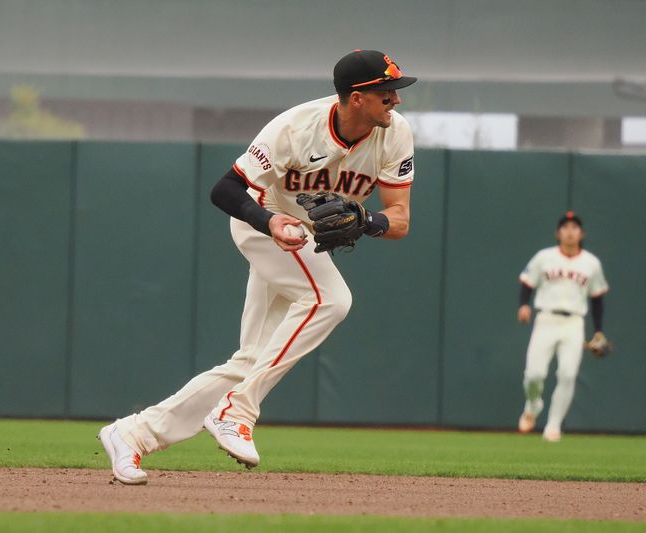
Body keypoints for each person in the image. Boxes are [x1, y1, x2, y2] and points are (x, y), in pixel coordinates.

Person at [98, 50, 417, 484]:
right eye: (387, 93)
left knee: (251, 359)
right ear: (357, 97)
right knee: (331, 299)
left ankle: (133, 435)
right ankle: (238, 409)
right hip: (264, 224)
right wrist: (268, 222)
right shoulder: (294, 128)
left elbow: (399, 219)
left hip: (306, 239)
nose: (396, 101)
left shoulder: (395, 134)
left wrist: (367, 220)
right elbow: (225, 189)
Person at [516, 211, 609, 442]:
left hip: (574, 323)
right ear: (558, 233)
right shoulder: (544, 257)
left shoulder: (591, 263)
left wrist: (598, 330)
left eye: (574, 227)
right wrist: (523, 306)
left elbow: (597, 298)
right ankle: (533, 404)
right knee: (534, 374)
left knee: (567, 375)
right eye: (565, 227)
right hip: (546, 318)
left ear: (581, 233)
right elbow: (527, 283)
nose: (570, 231)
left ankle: (553, 427)